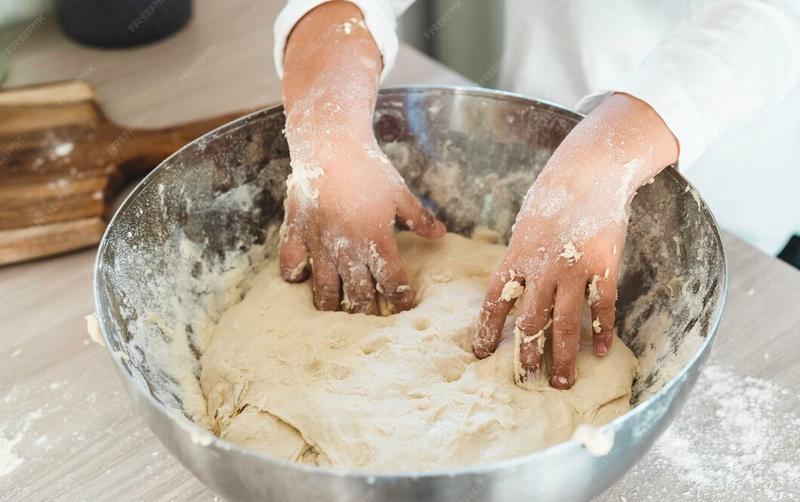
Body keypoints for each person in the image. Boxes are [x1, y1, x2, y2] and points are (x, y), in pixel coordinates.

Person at [273, 0, 800, 389]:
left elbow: (772, 20)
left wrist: (605, 156)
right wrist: (328, 130)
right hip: (539, 120)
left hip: (729, 187)